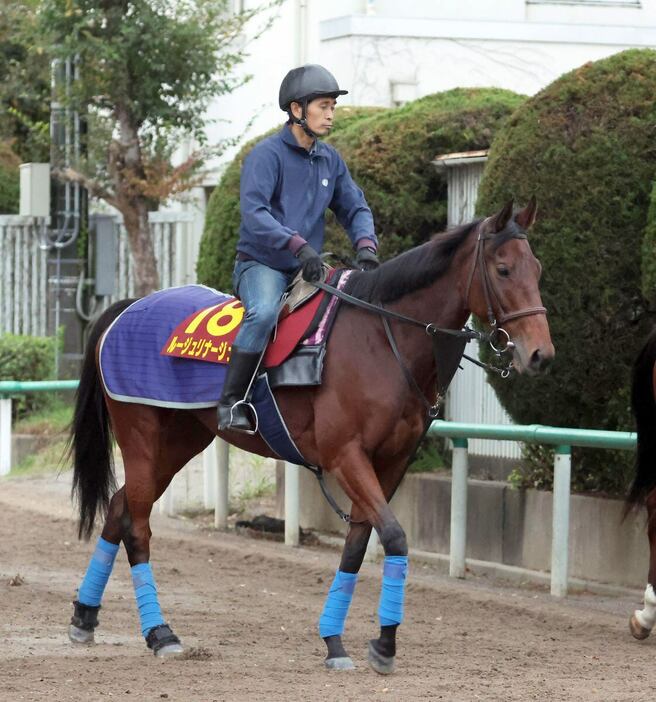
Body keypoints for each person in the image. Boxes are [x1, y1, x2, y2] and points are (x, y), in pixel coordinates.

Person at [217, 64, 380, 432]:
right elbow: (255, 215)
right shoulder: (266, 156)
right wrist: (298, 246)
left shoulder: (330, 159)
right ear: (296, 110)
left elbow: (354, 207)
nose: (330, 114)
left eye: (332, 107)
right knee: (262, 313)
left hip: (306, 266)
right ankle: (231, 403)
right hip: (263, 265)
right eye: (323, 105)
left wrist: (366, 245)